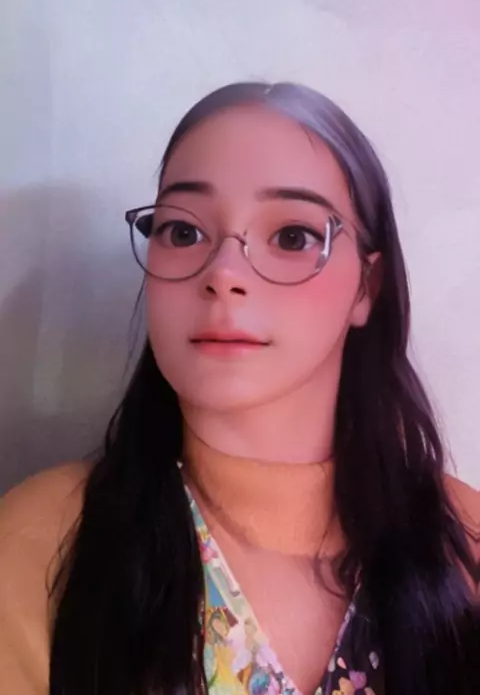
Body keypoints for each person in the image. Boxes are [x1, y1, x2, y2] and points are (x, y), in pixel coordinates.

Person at [0, 82, 477, 695]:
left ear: (367, 285)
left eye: (293, 236)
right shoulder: (40, 545)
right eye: (182, 231)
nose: (223, 274)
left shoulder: (466, 540)